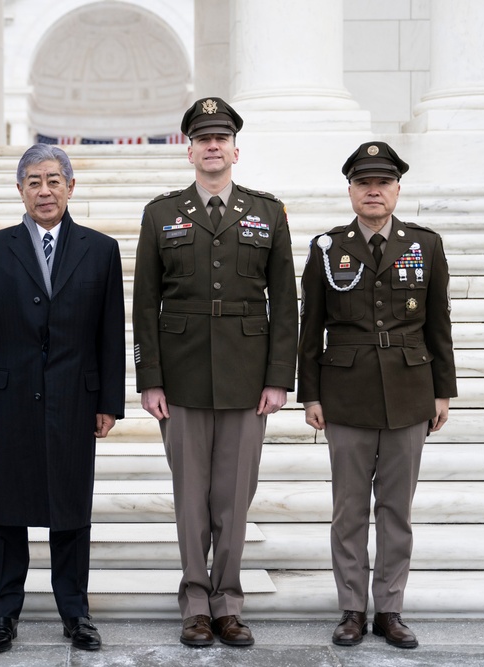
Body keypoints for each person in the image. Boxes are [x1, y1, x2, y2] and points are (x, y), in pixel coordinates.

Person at [132, 98, 298, 648]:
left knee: (233, 497)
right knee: (190, 498)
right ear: (189, 148)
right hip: (179, 379)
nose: (212, 146)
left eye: (221, 137)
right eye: (203, 138)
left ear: (234, 148)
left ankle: (228, 603)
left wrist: (279, 376)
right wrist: (149, 378)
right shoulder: (161, 214)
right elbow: (145, 302)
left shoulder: (268, 213)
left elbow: (285, 302)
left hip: (248, 379)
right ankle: (195, 603)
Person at [0, 143, 126, 654]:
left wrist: (110, 402)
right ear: (20, 190)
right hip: (6, 401)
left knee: (71, 511)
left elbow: (110, 332)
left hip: (75, 399)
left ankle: (75, 612)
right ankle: (3, 615)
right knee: (7, 513)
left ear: (70, 187)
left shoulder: (100, 249)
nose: (44, 190)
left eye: (54, 180)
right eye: (34, 181)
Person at [297, 142, 457, 650]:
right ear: (350, 190)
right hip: (344, 393)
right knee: (348, 509)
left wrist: (443, 392)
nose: (373, 190)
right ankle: (351, 608)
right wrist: (311, 394)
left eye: (382, 182)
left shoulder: (424, 245)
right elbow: (311, 327)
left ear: (397, 189)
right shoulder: (326, 246)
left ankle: (389, 608)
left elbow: (439, 322)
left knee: (396, 510)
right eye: (364, 183)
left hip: (411, 391)